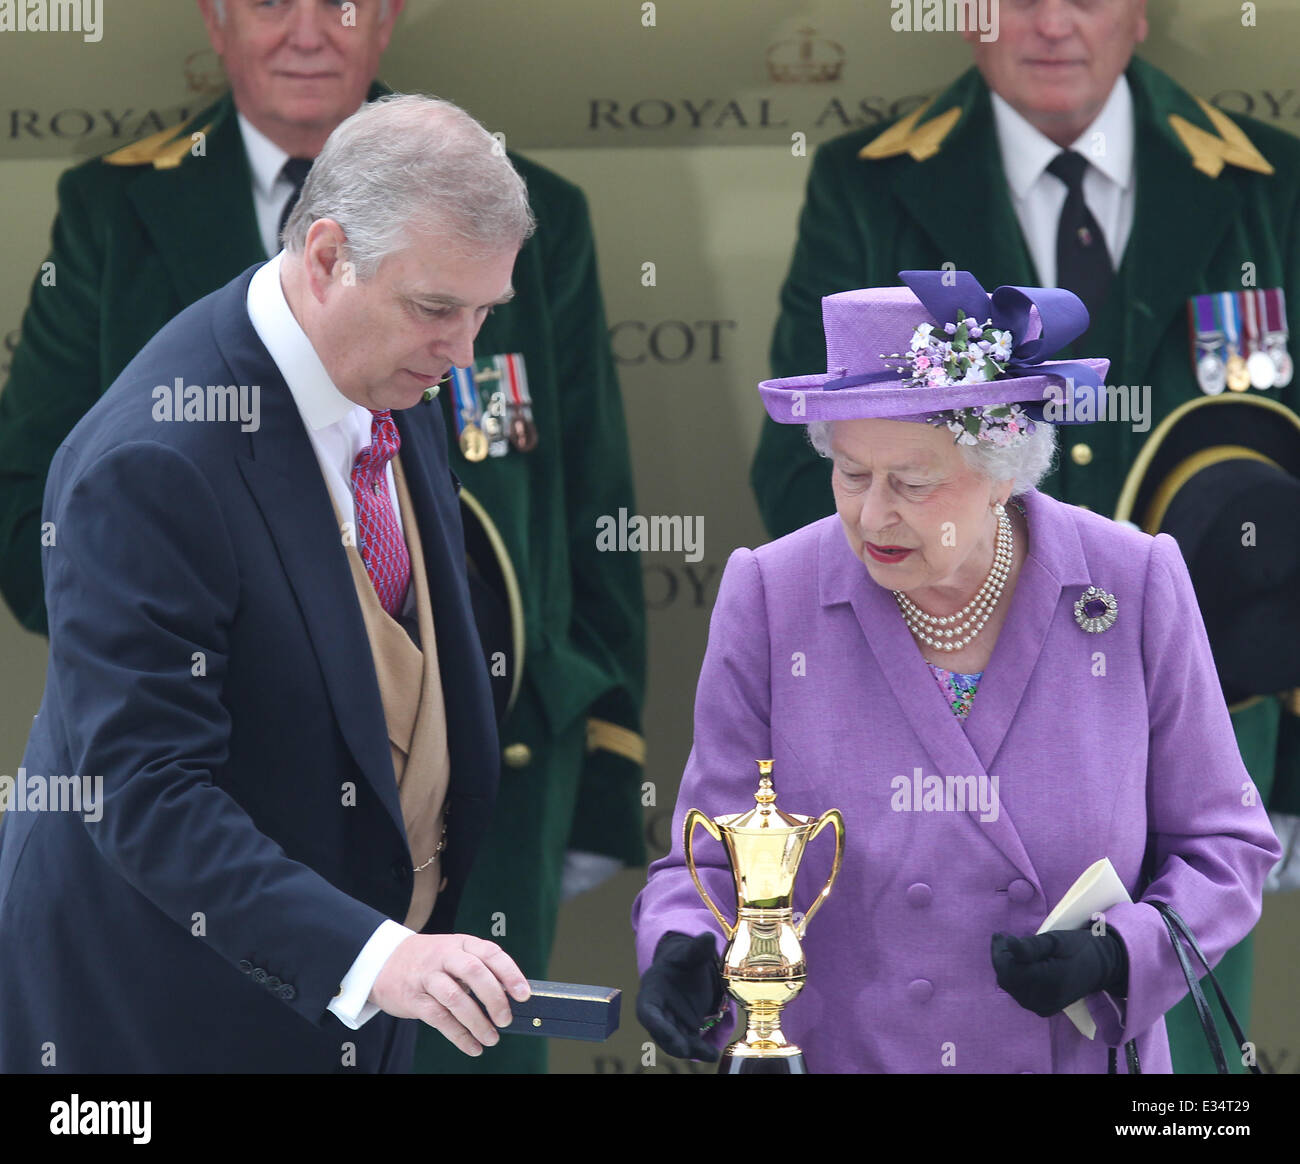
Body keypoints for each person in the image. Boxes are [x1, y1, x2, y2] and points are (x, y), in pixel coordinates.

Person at [0, 0, 646, 1074]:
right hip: (161, 1027)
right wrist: (372, 955)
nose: (461, 348)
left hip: (353, 1012)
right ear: (328, 253)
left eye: (486, 313)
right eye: (439, 308)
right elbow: (146, 795)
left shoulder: (395, 368)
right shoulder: (151, 464)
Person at [748, 0, 1298, 1072]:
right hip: (945, 715)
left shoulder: (1273, 183)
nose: (1050, 23)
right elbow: (803, 465)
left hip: (1216, 709)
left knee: (1173, 1044)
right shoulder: (870, 179)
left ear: (1140, 12)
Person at [634, 271, 1280, 1073]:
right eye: (851, 473)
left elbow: (1225, 844)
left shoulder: (1132, 580)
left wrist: (1119, 955)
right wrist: (682, 944)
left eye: (912, 482)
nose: (872, 516)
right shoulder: (773, 594)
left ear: (1005, 466)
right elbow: (711, 856)